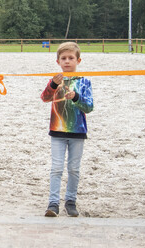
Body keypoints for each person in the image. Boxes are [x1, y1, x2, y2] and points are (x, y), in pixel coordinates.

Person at [40, 42, 94, 217]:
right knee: (56, 168)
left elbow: (89, 106)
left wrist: (76, 97)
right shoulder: (55, 80)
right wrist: (53, 85)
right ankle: (53, 203)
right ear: (58, 61)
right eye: (63, 58)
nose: (67, 61)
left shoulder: (84, 81)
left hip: (77, 131)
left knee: (73, 168)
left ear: (78, 60)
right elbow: (45, 98)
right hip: (57, 131)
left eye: (71, 58)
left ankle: (70, 201)